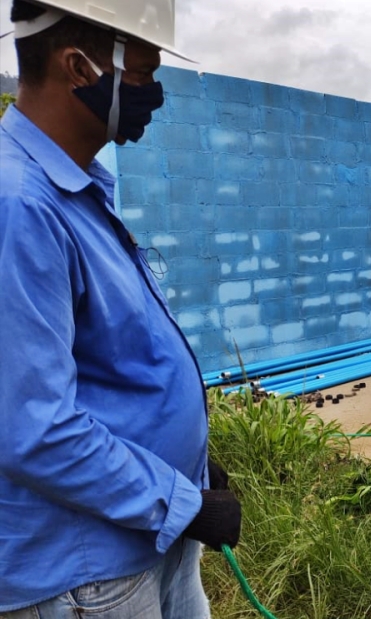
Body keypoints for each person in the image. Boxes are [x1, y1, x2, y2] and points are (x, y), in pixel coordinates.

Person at [0, 1, 241, 615]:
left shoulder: (75, 187)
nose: (152, 95)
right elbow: (34, 429)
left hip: (145, 539)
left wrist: (187, 461)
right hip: (89, 577)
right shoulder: (22, 207)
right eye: (140, 74)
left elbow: (107, 368)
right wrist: (181, 502)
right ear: (80, 67)